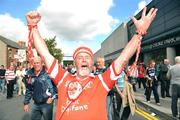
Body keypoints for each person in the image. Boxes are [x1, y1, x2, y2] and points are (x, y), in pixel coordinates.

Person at [25, 7, 157, 120]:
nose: (83, 59)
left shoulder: (102, 81)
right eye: (79, 57)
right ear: (75, 62)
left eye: (87, 57)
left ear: (91, 62)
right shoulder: (63, 78)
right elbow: (44, 53)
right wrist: (33, 27)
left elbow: (123, 58)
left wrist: (138, 34)